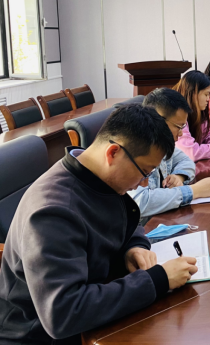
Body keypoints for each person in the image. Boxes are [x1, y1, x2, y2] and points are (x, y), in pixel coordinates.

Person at [0, 105, 198, 344]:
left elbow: (124, 219)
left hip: (95, 302)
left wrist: (133, 247)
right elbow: (64, 314)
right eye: (144, 172)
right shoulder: (53, 212)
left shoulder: (99, 175)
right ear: (113, 152)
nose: (144, 183)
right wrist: (158, 280)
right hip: (39, 336)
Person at [128, 88, 210, 218]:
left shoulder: (163, 144)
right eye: (178, 127)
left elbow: (186, 160)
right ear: (158, 120)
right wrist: (194, 191)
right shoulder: (135, 149)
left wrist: (179, 176)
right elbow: (140, 202)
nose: (180, 134)